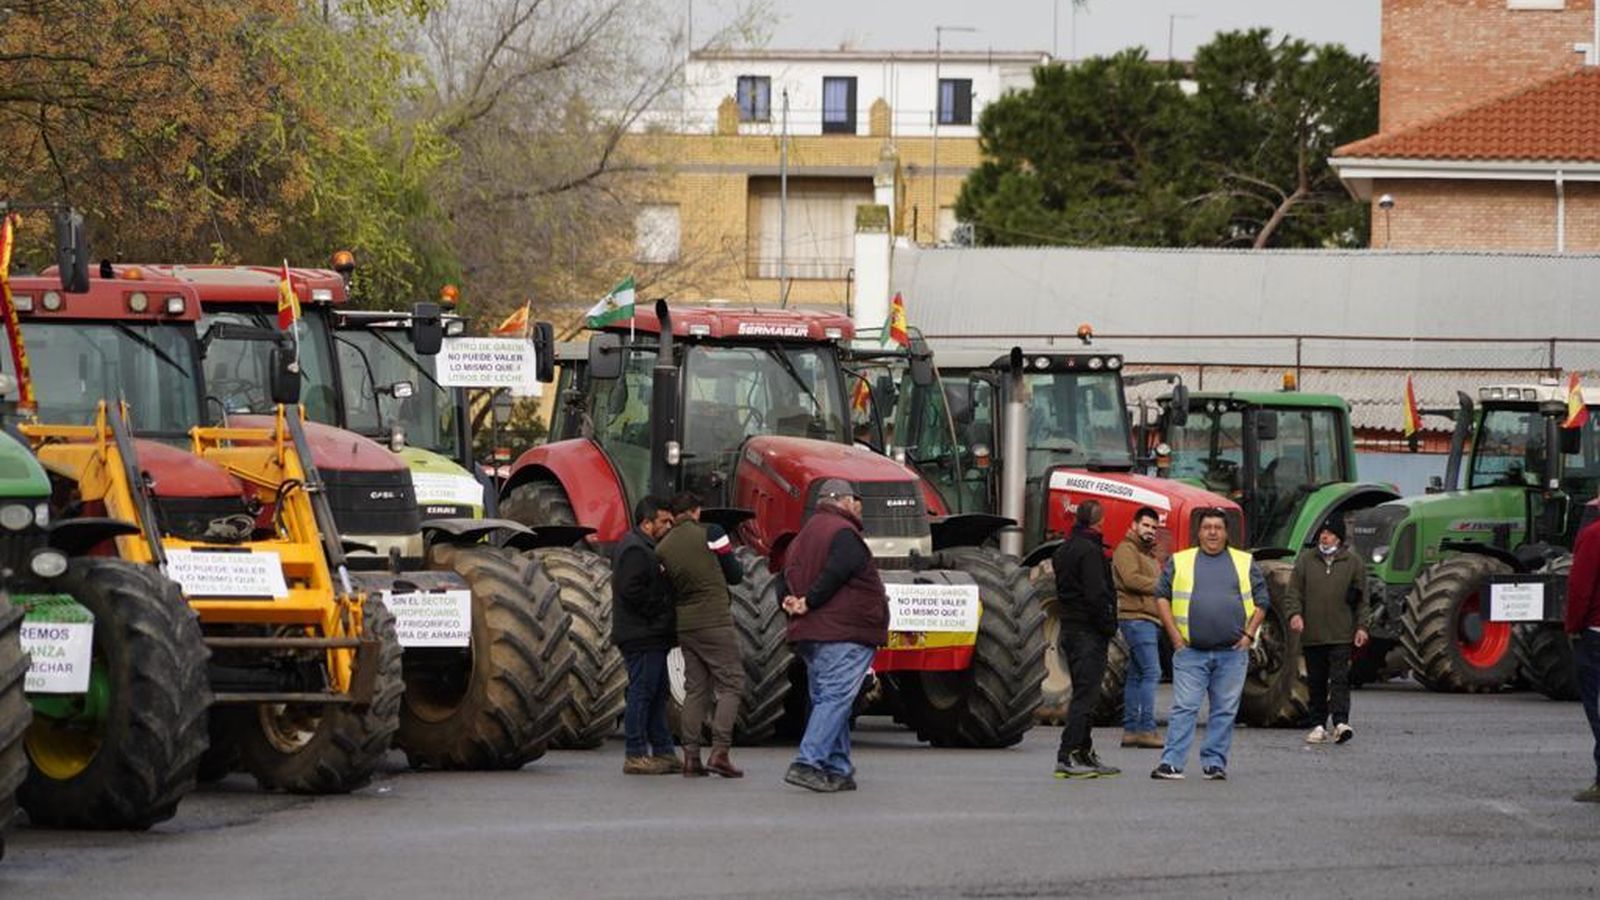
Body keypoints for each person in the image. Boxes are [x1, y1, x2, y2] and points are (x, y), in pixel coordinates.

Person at [780, 478, 888, 793]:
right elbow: (838, 571)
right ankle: (808, 762)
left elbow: (783, 576)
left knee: (830, 698)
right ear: (842, 500)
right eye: (857, 500)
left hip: (813, 633)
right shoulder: (843, 533)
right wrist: (811, 600)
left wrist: (790, 600)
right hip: (844, 631)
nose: (860, 507)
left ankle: (837, 766)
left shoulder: (803, 537)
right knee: (835, 697)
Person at [1151, 508, 1269, 781]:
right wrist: (1175, 637)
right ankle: (1171, 763)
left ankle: (1214, 763)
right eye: (1207, 527)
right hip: (1190, 651)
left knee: (1224, 711)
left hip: (1232, 652)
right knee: (1184, 707)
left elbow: (1263, 601)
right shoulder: (1180, 561)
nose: (1213, 532)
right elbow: (1161, 596)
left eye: (1218, 527)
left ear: (1226, 533)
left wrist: (1249, 635)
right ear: (1199, 532)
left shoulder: (1244, 561)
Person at [657, 491, 746, 778]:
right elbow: (735, 574)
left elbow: (667, 588)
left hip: (686, 624)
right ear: (696, 512)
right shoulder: (713, 533)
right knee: (731, 683)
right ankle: (720, 752)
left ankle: (691, 757)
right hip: (715, 620)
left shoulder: (663, 547)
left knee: (696, 688)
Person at [610, 495, 681, 775]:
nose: (669, 526)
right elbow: (632, 590)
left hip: (650, 633)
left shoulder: (647, 547)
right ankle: (636, 752)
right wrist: (661, 610)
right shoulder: (636, 550)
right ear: (647, 522)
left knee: (657, 692)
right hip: (642, 634)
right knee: (643, 692)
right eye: (665, 521)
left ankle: (663, 750)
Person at [1050, 499, 1121, 778]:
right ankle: (1066, 755)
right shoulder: (1090, 552)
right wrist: (1108, 625)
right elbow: (1096, 595)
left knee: (1085, 693)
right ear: (1099, 521)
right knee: (1085, 696)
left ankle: (1083, 751)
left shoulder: (1064, 549)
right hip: (1088, 632)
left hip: (1069, 628)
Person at [1282, 520, 1369, 745]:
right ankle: (1318, 725)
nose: (1325, 537)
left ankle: (1341, 723)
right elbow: (1293, 592)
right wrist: (1295, 614)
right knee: (1317, 681)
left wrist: (1362, 627)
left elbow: (1362, 600)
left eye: (1330, 534)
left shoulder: (1353, 563)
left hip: (1342, 633)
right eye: (1323, 533)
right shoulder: (1306, 560)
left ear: (1339, 538)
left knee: (1340, 679)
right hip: (1313, 634)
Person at [1114, 506, 1164, 749]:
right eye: (1146, 525)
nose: (1150, 531)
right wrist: (1161, 585)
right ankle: (1146, 728)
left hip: (1149, 619)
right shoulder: (1126, 549)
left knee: (1136, 675)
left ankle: (1131, 730)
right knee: (1152, 672)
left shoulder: (1149, 554)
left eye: (1154, 527)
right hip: (1136, 618)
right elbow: (1130, 579)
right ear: (1134, 525)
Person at [1567, 515, 1600, 803]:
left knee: (1597, 706)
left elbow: (1580, 587)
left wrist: (1573, 626)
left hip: (1595, 633)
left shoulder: (1593, 536)